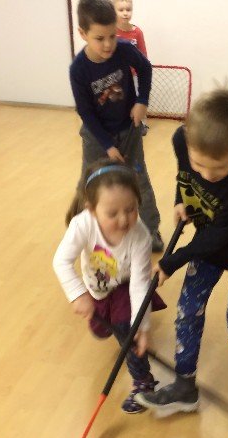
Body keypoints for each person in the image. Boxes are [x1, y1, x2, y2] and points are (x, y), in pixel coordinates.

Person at [134, 87, 228, 414]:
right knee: (188, 310)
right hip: (209, 242)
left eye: (219, 168)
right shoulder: (182, 140)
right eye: (200, 163)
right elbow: (185, 170)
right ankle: (185, 385)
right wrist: (181, 198)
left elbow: (215, 238)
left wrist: (172, 261)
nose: (208, 175)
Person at [53, 159, 165, 414]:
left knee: (127, 331)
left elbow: (139, 284)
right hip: (97, 289)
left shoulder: (140, 235)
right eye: (112, 214)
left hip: (126, 285)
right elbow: (61, 261)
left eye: (131, 209)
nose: (124, 220)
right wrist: (78, 294)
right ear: (92, 210)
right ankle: (121, 331)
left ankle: (143, 382)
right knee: (102, 330)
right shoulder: (82, 224)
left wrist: (141, 327)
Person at [70, 0, 163, 252]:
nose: (108, 44)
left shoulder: (123, 49)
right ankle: (78, 231)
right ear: (83, 34)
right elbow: (86, 112)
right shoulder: (78, 69)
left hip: (129, 130)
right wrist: (107, 145)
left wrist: (142, 101)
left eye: (112, 36)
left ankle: (151, 230)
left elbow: (145, 68)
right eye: (99, 38)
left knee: (139, 180)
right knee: (89, 181)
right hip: (96, 137)